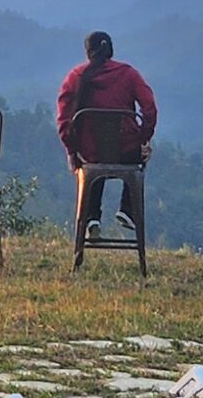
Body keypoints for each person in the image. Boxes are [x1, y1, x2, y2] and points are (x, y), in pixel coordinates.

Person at [56, 30, 158, 241]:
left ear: (88, 53)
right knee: (129, 155)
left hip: (90, 155)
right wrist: (143, 139)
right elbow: (149, 109)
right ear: (111, 50)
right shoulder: (129, 74)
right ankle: (127, 208)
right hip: (128, 152)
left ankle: (92, 217)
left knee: (94, 158)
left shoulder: (76, 77)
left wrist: (72, 151)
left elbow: (64, 120)